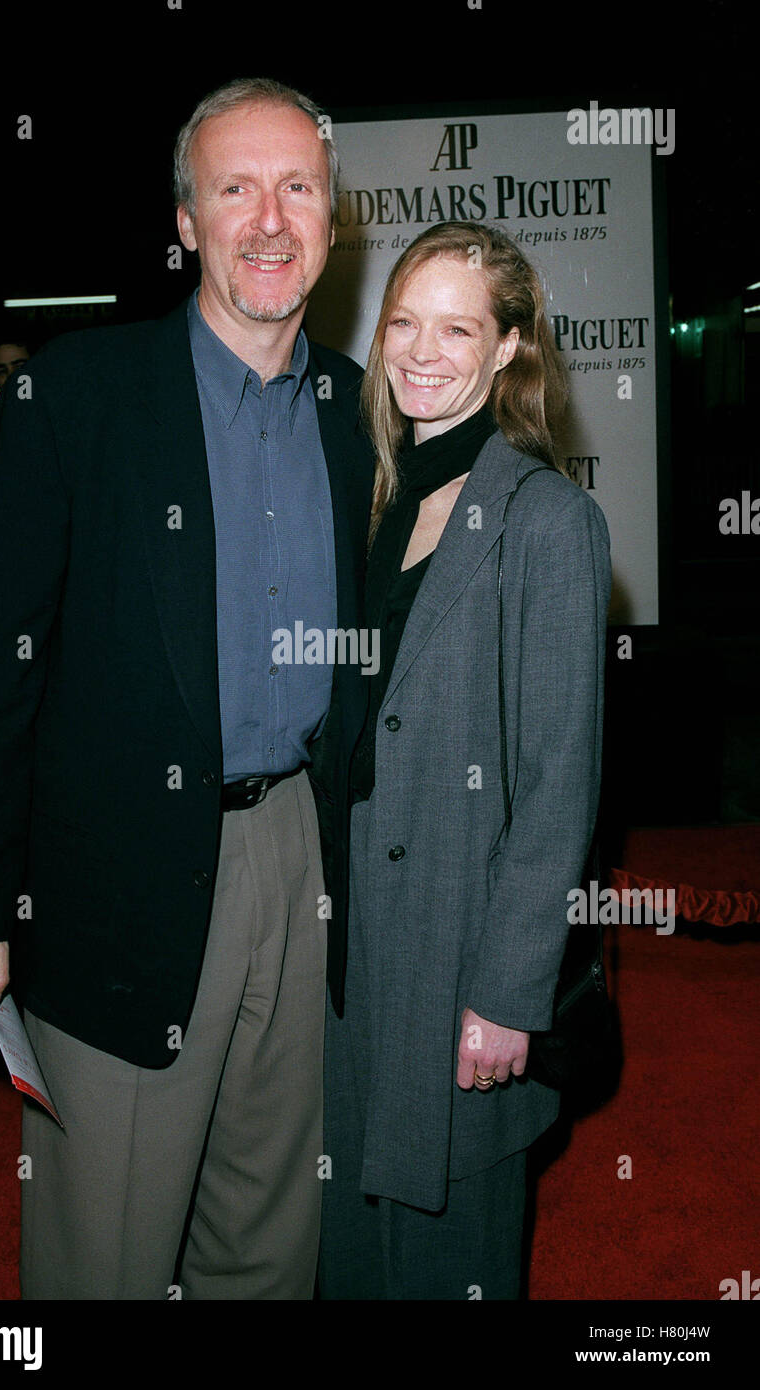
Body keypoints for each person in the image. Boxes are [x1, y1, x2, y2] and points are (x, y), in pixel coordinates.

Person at [0, 77, 373, 1300]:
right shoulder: (76, 395)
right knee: (106, 1250)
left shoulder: (352, 410)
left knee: (269, 1229)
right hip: (114, 868)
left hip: (300, 853)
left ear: (333, 221)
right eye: (235, 188)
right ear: (184, 220)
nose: (269, 218)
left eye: (298, 188)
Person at [318, 221, 611, 1300]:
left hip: (457, 954)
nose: (420, 351)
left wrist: (506, 992)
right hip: (348, 952)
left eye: (457, 327)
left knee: (448, 1262)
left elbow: (555, 785)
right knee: (345, 1250)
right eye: (402, 321)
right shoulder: (374, 504)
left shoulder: (548, 523)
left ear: (506, 350)